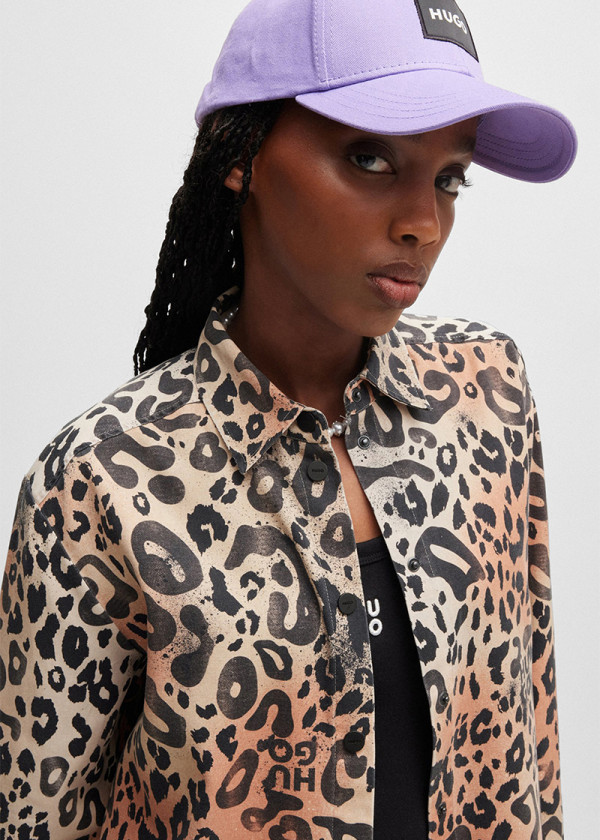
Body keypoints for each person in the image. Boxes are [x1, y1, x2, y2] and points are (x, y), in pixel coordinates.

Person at [0, 1, 577, 838]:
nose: (424, 222)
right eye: (370, 157)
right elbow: (35, 814)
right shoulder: (103, 478)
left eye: (450, 177)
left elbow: (531, 746)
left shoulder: (486, 393)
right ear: (242, 157)